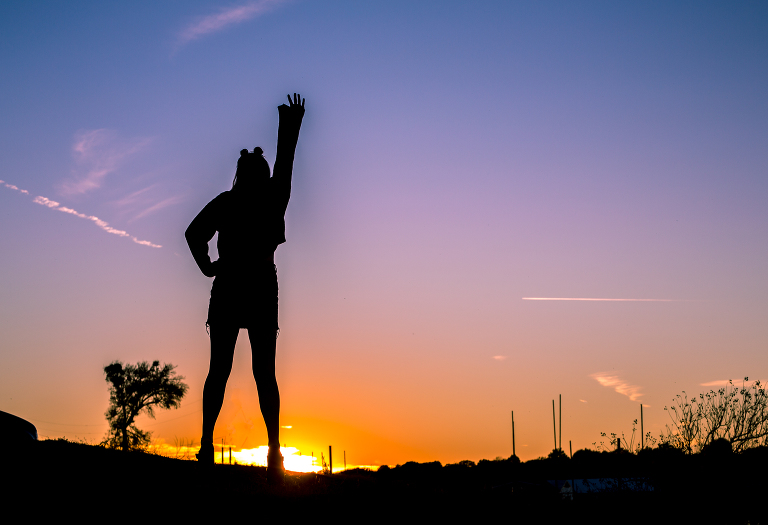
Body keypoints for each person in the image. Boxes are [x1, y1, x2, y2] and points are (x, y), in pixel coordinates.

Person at [185, 94, 305, 481]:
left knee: (219, 370)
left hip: (230, 286)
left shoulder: (229, 200)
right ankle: (272, 452)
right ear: (262, 173)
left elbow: (192, 234)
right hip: (257, 288)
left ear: (240, 173)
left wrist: (206, 267)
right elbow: (286, 163)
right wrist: (290, 123)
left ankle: (207, 446)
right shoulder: (273, 199)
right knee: (262, 373)